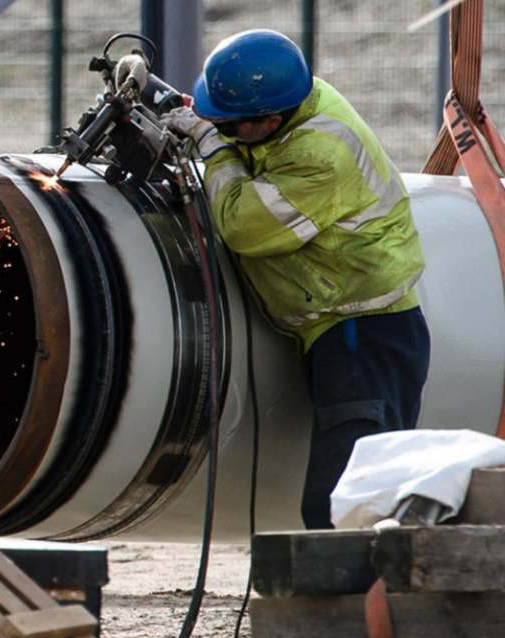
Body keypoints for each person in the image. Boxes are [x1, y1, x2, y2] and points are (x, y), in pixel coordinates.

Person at [161, 29, 431, 530]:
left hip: (364, 335)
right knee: (347, 499)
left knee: (344, 506)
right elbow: (245, 139)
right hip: (342, 328)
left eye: (230, 125)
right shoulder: (284, 102)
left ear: (270, 120)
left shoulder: (320, 153)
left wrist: (210, 146)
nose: (222, 131)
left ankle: (354, 607)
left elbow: (244, 225)